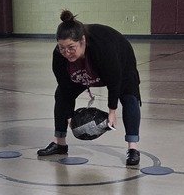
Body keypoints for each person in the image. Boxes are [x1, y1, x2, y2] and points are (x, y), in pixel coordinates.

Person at [37, 10, 144, 167]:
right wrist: (68, 116)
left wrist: (112, 111)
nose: (66, 53)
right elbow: (65, 88)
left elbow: (114, 81)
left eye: (71, 47)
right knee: (60, 95)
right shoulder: (59, 55)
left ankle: (133, 148)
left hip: (121, 62)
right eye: (62, 47)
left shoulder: (103, 48)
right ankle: (60, 143)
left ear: (82, 41)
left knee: (129, 97)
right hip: (83, 69)